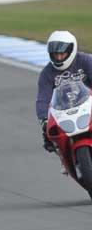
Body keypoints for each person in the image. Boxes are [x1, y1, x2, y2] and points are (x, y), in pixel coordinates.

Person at [36, 31, 92, 169]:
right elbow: (42, 99)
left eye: (62, 54)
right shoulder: (46, 74)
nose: (59, 57)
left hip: (88, 105)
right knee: (48, 133)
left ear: (71, 50)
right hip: (64, 111)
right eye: (55, 54)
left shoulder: (86, 60)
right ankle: (65, 158)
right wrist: (44, 119)